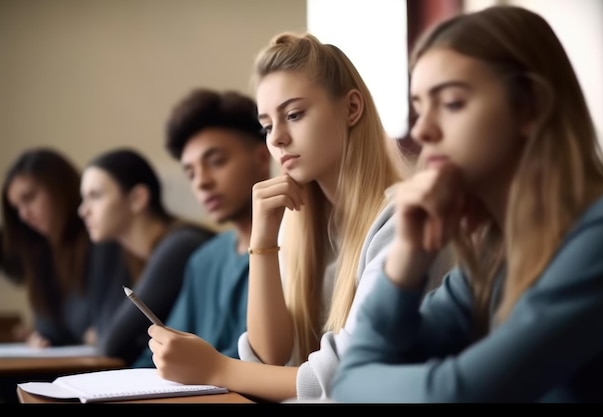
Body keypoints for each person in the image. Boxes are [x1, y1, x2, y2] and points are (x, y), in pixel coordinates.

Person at [331, 5, 603, 403]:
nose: (421, 129)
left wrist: (356, 379)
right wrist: (406, 260)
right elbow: (352, 378)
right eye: (418, 107)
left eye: (451, 103)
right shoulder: (496, 254)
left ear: (531, 107)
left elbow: (453, 393)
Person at [146, 32, 453, 402]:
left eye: (293, 115)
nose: (276, 139)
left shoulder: (404, 219)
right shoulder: (300, 225)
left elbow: (342, 378)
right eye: (267, 125)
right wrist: (263, 242)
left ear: (352, 109)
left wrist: (216, 368)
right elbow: (271, 359)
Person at [132, 88, 272, 368]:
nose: (201, 182)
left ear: (262, 156)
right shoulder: (204, 260)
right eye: (191, 173)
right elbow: (160, 351)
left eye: (216, 162)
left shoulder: (296, 246)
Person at [78, 147, 214, 366]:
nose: (83, 211)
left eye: (95, 196)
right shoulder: (129, 254)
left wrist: (99, 334)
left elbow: (110, 343)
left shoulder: (181, 245)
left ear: (137, 199)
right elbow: (102, 329)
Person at [1, 147, 122, 347]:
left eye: (30, 198)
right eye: (17, 208)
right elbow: (51, 330)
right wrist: (39, 337)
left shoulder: (101, 240)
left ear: (60, 187)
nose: (24, 215)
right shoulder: (40, 253)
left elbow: (105, 330)